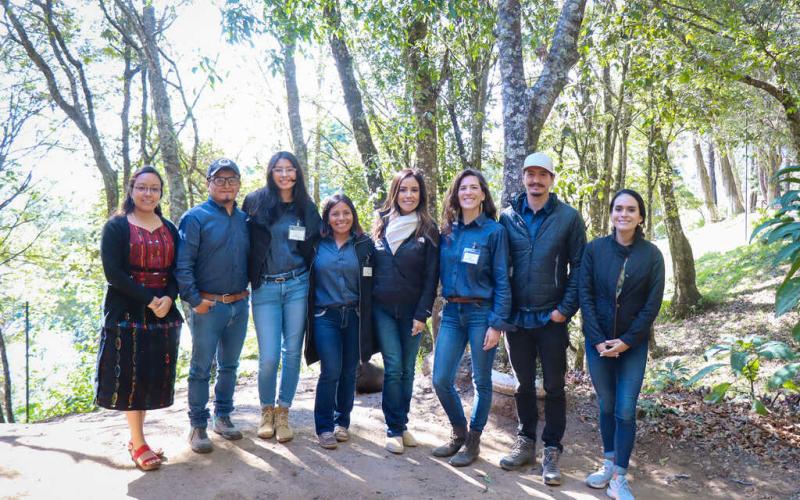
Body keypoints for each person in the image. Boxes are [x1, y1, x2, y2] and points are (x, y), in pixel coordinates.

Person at [497, 152, 586, 484]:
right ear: (523, 177)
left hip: (552, 318)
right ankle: (525, 443)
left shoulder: (568, 218)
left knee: (553, 387)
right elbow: (497, 267)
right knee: (522, 384)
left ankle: (552, 450)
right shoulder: (507, 218)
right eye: (530, 174)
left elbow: (579, 267)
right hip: (517, 319)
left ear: (552, 179)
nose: (536, 180)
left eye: (542, 175)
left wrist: (564, 310)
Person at [95, 165, 183, 471]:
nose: (148, 193)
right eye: (142, 187)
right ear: (131, 190)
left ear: (161, 193)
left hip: (162, 312)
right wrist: (149, 300)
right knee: (131, 378)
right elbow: (113, 273)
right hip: (127, 312)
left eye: (155, 188)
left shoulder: (170, 228)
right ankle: (138, 441)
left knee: (149, 377)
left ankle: (138, 439)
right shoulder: (117, 227)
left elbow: (177, 271)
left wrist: (169, 297)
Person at [580, 189, 665, 500]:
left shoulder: (652, 255)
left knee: (625, 410)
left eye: (631, 209)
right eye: (619, 209)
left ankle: (620, 478)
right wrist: (599, 339)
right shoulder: (594, 250)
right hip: (597, 343)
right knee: (606, 404)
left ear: (640, 216)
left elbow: (652, 305)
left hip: (633, 345)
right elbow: (585, 296)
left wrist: (627, 341)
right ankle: (608, 462)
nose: (624, 214)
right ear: (612, 214)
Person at [431, 169, 512, 467]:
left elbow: (503, 280)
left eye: (474, 188)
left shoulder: (494, 232)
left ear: (482, 194)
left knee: (482, 381)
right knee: (440, 379)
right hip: (451, 312)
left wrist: (497, 323)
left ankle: (473, 442)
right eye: (462, 188)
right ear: (456, 194)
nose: (468, 192)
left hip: (482, 314)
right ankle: (458, 432)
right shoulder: (447, 232)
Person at [242, 151, 321, 443]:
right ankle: (266, 411)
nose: (285, 175)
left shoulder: (306, 208)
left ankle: (283, 412)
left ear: (297, 173)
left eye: (290, 169)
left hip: (297, 285)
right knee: (269, 357)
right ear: (271, 172)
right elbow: (245, 243)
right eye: (279, 169)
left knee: (291, 354)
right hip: (264, 287)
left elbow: (316, 244)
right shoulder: (255, 201)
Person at [176, 158, 250, 454]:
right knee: (201, 368)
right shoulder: (195, 217)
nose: (226, 185)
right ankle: (197, 425)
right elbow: (183, 265)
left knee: (230, 366)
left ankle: (223, 416)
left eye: (232, 179)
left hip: (239, 304)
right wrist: (196, 301)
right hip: (208, 306)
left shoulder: (245, 220)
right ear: (208, 183)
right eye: (220, 179)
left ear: (239, 184)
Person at [371, 169, 439, 454]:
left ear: (421, 194)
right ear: (394, 193)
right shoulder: (381, 224)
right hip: (383, 309)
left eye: (414, 190)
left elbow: (431, 277)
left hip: (413, 311)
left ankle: (402, 424)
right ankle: (393, 429)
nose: (408, 195)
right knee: (394, 367)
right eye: (403, 190)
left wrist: (422, 314)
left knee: (408, 370)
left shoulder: (428, 229)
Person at [304, 193, 376, 450]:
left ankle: (341, 423)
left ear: (353, 215)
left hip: (355, 315)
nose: (341, 218)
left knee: (348, 372)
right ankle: (324, 428)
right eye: (335, 213)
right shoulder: (315, 244)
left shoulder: (364, 244)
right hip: (325, 316)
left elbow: (375, 281)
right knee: (331, 370)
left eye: (346, 213)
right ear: (327, 218)